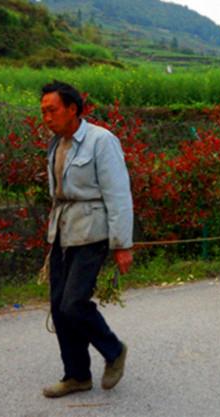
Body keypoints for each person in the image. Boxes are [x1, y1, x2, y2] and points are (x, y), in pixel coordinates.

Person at [40, 80, 134, 398]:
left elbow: (118, 194)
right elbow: (59, 194)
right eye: (43, 112)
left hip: (92, 232)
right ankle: (77, 375)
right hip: (63, 232)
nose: (47, 117)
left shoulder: (101, 141)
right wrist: (53, 228)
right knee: (59, 306)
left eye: (52, 110)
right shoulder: (56, 144)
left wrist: (122, 244)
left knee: (74, 303)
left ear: (73, 109)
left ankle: (113, 350)